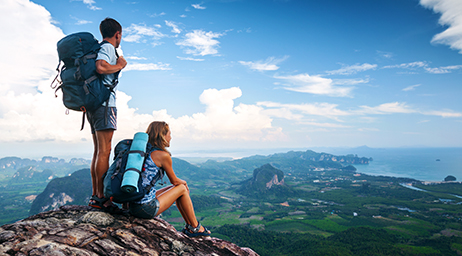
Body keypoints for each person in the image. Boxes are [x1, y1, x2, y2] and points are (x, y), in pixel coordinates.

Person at [129, 121, 211, 237]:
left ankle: (190, 226)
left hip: (133, 204)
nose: (170, 137)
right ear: (162, 136)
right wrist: (185, 183)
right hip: (145, 208)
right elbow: (175, 181)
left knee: (176, 189)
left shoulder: (143, 151)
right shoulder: (163, 155)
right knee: (181, 188)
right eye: (169, 134)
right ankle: (195, 227)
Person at [88, 18, 127, 212]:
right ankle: (102, 198)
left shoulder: (98, 47)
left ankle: (96, 195)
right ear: (117, 34)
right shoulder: (108, 49)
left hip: (94, 105)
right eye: (121, 35)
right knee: (104, 151)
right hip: (105, 105)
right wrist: (120, 65)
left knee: (98, 151)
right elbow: (101, 67)